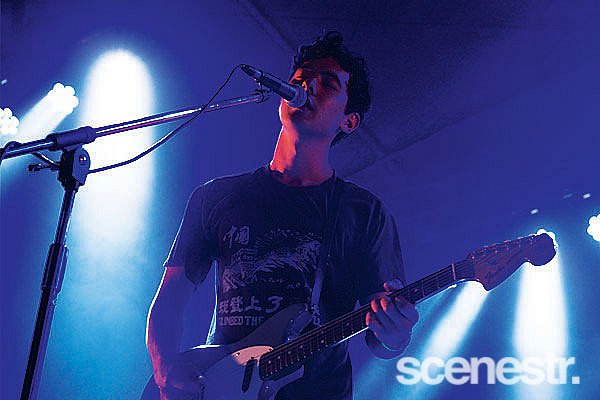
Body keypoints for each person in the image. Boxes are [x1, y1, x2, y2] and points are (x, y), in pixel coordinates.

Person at [146, 31, 419, 400]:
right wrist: (165, 371)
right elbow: (170, 301)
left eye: (328, 84)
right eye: (301, 79)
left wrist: (396, 332)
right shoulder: (215, 196)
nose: (307, 86)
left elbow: (382, 340)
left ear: (349, 121)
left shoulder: (364, 213)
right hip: (220, 388)